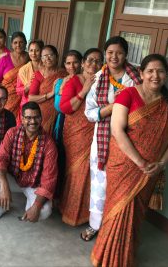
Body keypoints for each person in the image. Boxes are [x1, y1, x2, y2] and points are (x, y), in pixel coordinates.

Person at [91, 54, 168, 267]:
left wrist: (162, 164)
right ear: (141, 73)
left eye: (161, 71)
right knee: (117, 211)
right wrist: (140, 162)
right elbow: (117, 131)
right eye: (150, 71)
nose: (155, 76)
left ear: (167, 75)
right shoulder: (128, 94)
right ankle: (106, 257)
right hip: (124, 165)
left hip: (151, 171)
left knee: (136, 214)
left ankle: (124, 257)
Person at [81, 36, 141, 241]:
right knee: (99, 183)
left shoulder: (135, 78)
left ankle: (116, 228)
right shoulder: (98, 78)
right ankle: (95, 225)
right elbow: (89, 113)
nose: (114, 57)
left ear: (126, 55)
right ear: (105, 54)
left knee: (122, 184)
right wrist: (112, 108)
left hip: (130, 139)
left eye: (119, 53)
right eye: (110, 53)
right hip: (103, 140)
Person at [0, 101, 58, 222]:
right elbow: (1, 159)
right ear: (22, 119)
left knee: (44, 211)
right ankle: (1, 208)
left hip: (34, 185)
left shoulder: (49, 144)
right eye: (28, 118)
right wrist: (4, 186)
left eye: (36, 117)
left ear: (41, 119)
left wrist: (36, 206)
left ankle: (30, 206)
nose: (33, 121)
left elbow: (49, 180)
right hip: (13, 179)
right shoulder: (12, 133)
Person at [58, 48, 103, 226]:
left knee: (89, 172)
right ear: (83, 63)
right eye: (90, 60)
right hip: (75, 133)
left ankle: (84, 213)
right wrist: (84, 90)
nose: (94, 64)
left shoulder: (103, 82)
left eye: (98, 61)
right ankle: (68, 210)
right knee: (75, 171)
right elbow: (65, 108)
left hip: (95, 133)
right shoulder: (74, 81)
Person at [53, 49, 82, 197]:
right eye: (68, 63)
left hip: (83, 127)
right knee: (62, 156)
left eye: (75, 62)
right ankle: (58, 194)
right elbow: (58, 106)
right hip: (63, 123)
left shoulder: (87, 81)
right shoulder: (60, 82)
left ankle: (72, 196)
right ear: (64, 65)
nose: (72, 66)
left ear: (81, 63)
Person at [28, 45, 66, 135]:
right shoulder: (38, 74)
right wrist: (50, 94)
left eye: (50, 55)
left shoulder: (64, 74)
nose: (47, 58)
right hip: (42, 114)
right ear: (41, 58)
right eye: (44, 56)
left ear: (56, 56)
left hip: (59, 115)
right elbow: (31, 98)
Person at [0, 31, 29, 118]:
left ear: (25, 43)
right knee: (6, 119)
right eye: (15, 43)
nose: (18, 45)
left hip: (24, 96)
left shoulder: (30, 58)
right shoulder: (5, 59)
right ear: (12, 45)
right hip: (7, 97)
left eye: (21, 42)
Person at [16, 39, 44, 125]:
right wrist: (27, 87)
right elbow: (18, 90)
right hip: (27, 104)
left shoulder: (46, 68)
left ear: (42, 52)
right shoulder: (23, 70)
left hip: (43, 103)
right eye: (31, 50)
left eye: (37, 50)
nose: (34, 53)